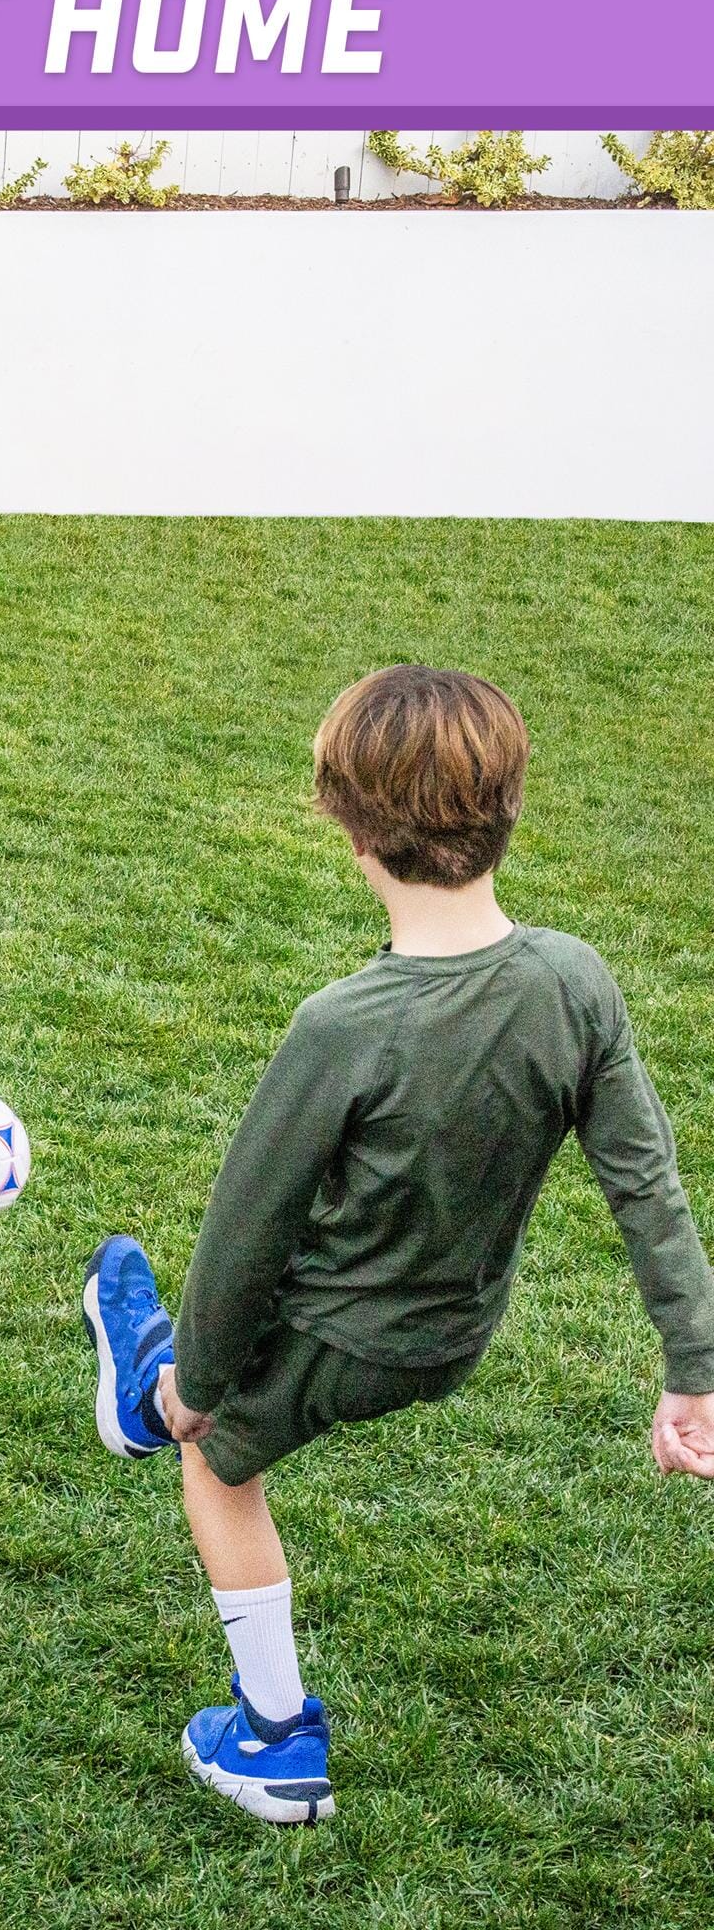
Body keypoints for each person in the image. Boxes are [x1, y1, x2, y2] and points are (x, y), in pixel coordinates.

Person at [82, 664, 714, 1825]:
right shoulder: (573, 981)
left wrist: (201, 1389)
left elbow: (242, 1238)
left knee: (212, 1463)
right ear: (510, 805)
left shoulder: (341, 1027)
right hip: (452, 1335)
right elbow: (645, 1186)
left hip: (338, 1335)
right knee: (199, 1375)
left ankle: (271, 1737)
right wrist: (693, 1370)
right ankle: (148, 1379)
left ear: (349, 828)